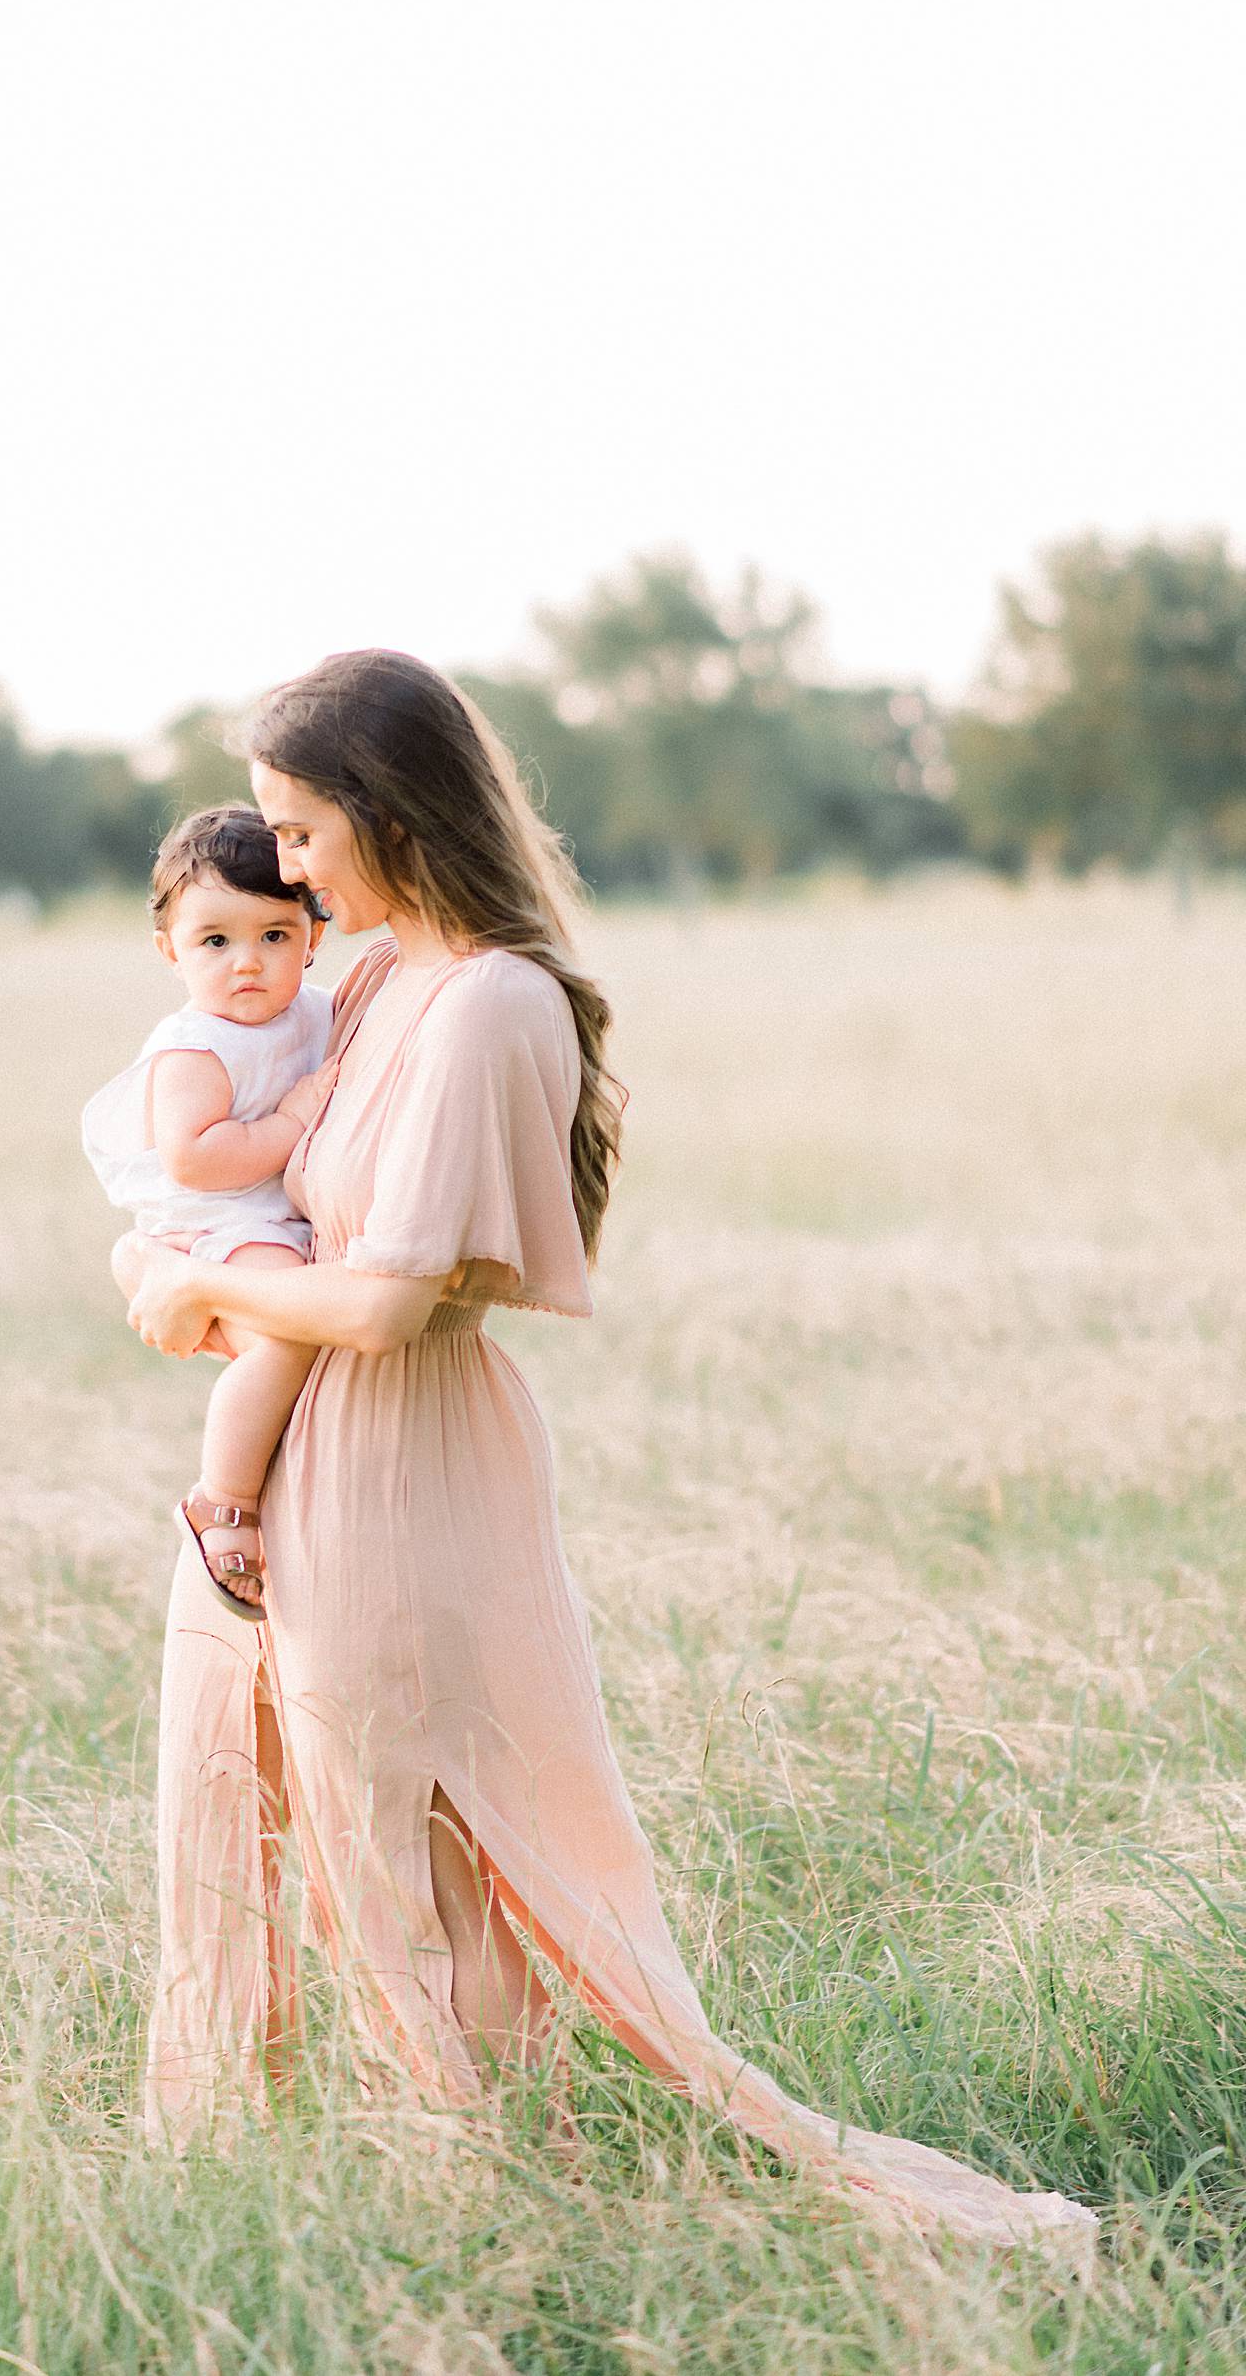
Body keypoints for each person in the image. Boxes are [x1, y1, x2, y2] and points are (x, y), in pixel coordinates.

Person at [115, 650, 1095, 2254]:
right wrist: (182, 1265)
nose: (282, 869)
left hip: (403, 1456)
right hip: (297, 1452)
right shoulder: (361, 982)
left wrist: (187, 1278)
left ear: (385, 807)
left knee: (402, 1833)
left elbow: (386, 1294)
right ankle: (277, 2190)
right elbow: (240, 1182)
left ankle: (477, 2198)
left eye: (301, 830)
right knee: (244, 1804)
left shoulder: (490, 998)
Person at [83, 805, 331, 1615]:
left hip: (268, 1218)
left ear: (312, 936)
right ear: (171, 950)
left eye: (274, 935)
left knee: (295, 1324)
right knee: (289, 1337)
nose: (248, 963)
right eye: (215, 941)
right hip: (221, 1217)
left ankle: (161, 1280)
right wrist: (292, 1121)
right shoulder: (195, 1044)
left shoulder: (319, 1012)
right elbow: (197, 1157)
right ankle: (222, 1499)